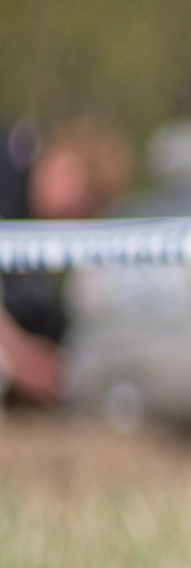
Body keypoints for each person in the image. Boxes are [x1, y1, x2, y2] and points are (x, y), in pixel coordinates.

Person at [1, 118, 132, 406]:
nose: (72, 210)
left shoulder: (31, 220)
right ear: (61, 159)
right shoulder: (7, 170)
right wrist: (22, 360)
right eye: (81, 192)